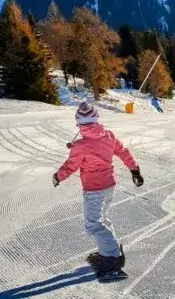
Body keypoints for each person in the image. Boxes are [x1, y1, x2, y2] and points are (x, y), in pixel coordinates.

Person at [53, 102, 144, 274]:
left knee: (93, 224)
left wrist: (58, 176)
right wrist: (134, 170)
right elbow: (123, 151)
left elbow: (71, 165)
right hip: (109, 185)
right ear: (96, 118)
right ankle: (109, 250)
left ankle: (113, 257)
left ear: (78, 122)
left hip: (94, 188)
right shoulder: (108, 135)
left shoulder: (81, 145)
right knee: (103, 218)